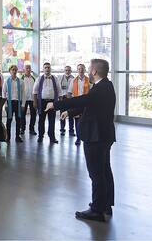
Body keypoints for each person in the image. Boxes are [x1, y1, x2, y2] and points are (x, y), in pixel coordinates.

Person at [48, 59, 115, 222]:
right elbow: (89, 104)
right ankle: (106, 205)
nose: (87, 71)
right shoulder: (107, 86)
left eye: (90, 68)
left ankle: (97, 210)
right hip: (104, 135)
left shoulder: (99, 89)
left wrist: (56, 105)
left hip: (95, 136)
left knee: (96, 173)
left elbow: (83, 100)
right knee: (104, 170)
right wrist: (70, 113)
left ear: (94, 72)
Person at [34, 62, 61, 144]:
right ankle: (40, 136)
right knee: (41, 120)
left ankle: (52, 136)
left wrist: (60, 103)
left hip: (52, 102)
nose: (47, 69)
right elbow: (34, 92)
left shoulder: (55, 78)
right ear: (43, 69)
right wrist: (35, 102)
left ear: (50, 69)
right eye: (45, 67)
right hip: (42, 102)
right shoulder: (39, 79)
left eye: (48, 67)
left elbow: (59, 91)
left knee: (52, 120)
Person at [67, 64, 91, 146]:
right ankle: (78, 138)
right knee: (77, 122)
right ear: (77, 70)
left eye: (82, 69)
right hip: (76, 104)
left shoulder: (89, 80)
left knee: (86, 121)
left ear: (85, 70)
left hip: (86, 104)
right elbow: (69, 93)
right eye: (79, 69)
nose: (81, 70)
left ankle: (86, 137)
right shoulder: (73, 80)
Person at [4, 65, 24, 143]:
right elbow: (4, 92)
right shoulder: (6, 81)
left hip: (18, 103)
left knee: (18, 120)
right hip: (10, 103)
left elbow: (23, 93)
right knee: (9, 120)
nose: (14, 71)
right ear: (10, 71)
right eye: (12, 70)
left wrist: (23, 104)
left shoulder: (21, 81)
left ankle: (17, 136)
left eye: (15, 70)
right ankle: (8, 136)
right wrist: (5, 104)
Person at [20, 64, 37, 136]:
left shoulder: (34, 78)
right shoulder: (21, 78)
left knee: (33, 114)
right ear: (24, 70)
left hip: (32, 99)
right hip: (24, 99)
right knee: (22, 114)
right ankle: (22, 129)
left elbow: (36, 89)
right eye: (27, 68)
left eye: (29, 68)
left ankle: (32, 129)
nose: (28, 69)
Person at [59, 65, 74, 136]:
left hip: (71, 98)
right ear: (64, 71)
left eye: (69, 70)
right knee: (62, 114)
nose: (67, 71)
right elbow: (59, 89)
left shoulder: (74, 78)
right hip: (63, 98)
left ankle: (71, 130)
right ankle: (62, 129)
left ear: (71, 71)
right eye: (66, 70)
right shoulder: (60, 78)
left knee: (71, 114)